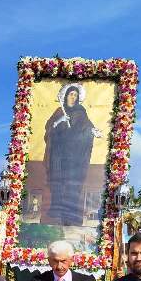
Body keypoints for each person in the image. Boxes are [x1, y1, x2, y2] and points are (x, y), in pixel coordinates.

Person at [45, 84, 95, 226]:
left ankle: (71, 212)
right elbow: (49, 129)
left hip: (75, 156)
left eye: (75, 95)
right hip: (58, 154)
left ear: (78, 98)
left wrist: (91, 132)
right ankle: (56, 209)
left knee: (72, 182)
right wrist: (58, 122)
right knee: (57, 181)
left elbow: (88, 128)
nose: (72, 97)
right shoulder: (59, 112)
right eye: (70, 94)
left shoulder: (81, 112)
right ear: (65, 96)